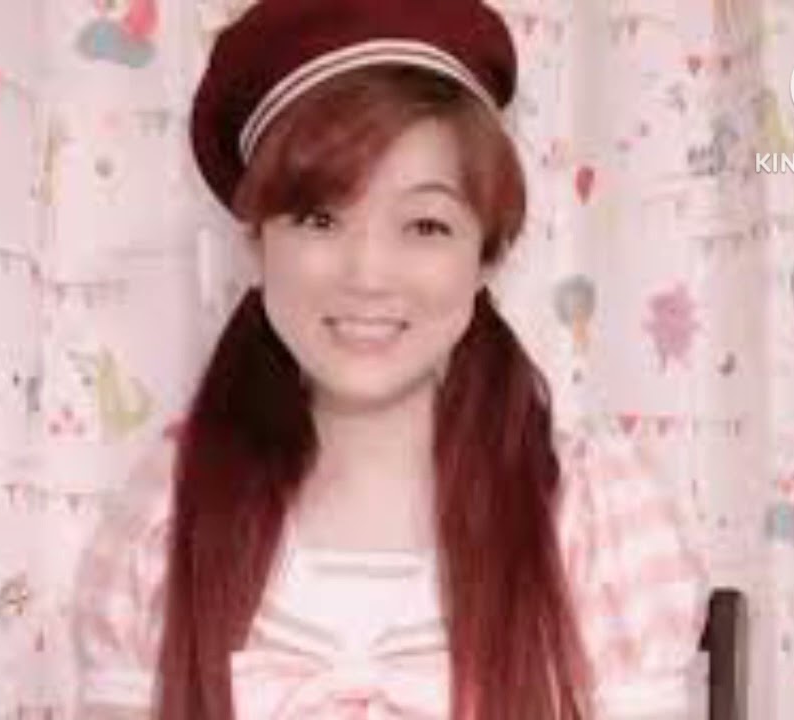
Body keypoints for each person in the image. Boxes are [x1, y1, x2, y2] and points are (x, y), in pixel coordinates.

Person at [74, 1, 707, 717]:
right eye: (319, 218)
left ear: (486, 254)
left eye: (425, 226)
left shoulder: (592, 522)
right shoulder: (168, 517)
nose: (368, 274)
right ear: (257, 243)